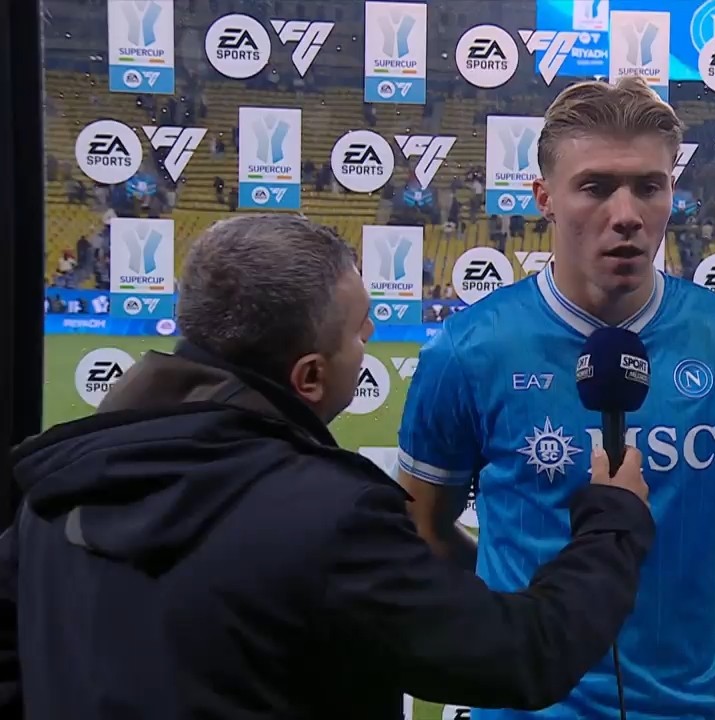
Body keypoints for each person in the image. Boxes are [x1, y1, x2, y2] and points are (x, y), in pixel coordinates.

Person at [0, 215, 656, 719]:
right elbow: (522, 657)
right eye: (361, 331)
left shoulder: (53, 495)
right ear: (309, 377)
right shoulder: (326, 518)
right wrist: (612, 522)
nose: (368, 344)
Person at [397, 77, 715, 720]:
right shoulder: (469, 349)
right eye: (595, 187)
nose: (626, 214)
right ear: (545, 198)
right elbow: (421, 528)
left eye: (649, 186)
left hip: (688, 709)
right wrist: (520, 616)